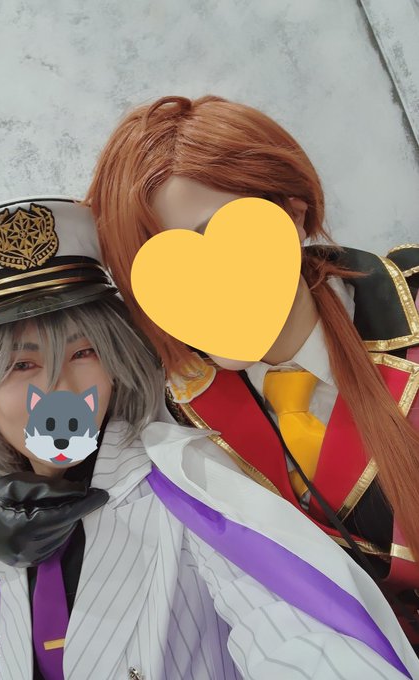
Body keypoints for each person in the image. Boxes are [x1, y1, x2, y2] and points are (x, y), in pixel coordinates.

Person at [0, 197, 419, 679]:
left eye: (85, 354)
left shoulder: (186, 480)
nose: (59, 390)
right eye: (21, 365)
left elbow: (292, 631)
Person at [84, 95, 419, 643]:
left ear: (292, 214)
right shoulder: (172, 404)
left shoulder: (411, 306)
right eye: (164, 268)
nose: (203, 286)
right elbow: (48, 413)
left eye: (222, 238)